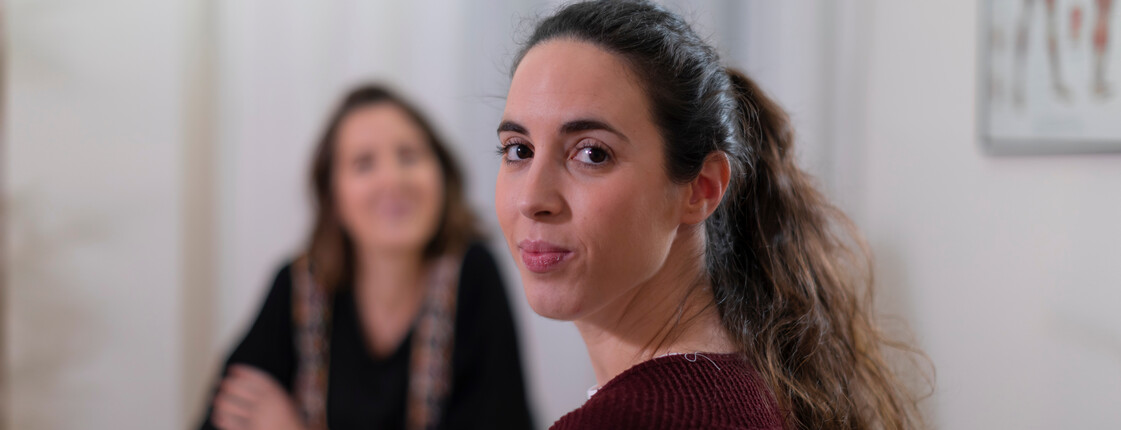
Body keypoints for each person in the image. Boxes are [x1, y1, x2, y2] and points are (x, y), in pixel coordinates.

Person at [493, 1, 928, 429]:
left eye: (592, 153)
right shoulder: (757, 388)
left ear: (701, 188)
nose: (532, 199)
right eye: (519, 150)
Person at [200, 85, 535, 430]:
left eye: (408, 156)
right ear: (333, 197)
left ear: (441, 174)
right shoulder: (297, 287)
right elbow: (224, 414)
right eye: (364, 164)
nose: (392, 180)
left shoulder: (474, 275)